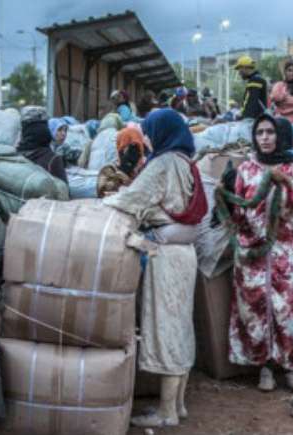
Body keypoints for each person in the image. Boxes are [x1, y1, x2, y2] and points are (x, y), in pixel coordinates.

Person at [103, 109, 206, 427]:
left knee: (167, 328)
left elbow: (131, 200)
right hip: (183, 253)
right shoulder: (185, 162)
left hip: (166, 257)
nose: (145, 139)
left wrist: (100, 204)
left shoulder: (163, 164)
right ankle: (178, 404)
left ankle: (167, 412)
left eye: (149, 131)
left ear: (161, 131)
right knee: (180, 326)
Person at [220, 114, 293, 392]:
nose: (264, 137)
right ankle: (264, 368)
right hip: (252, 253)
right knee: (256, 308)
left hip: (286, 251)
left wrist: (283, 180)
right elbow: (238, 211)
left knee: (287, 309)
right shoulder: (247, 169)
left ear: (280, 135)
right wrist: (227, 191)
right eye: (260, 132)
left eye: (270, 132)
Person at [17, 108, 68, 184]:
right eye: (60, 130)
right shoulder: (53, 159)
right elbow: (64, 191)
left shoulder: (15, 155)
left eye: (65, 130)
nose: (63, 134)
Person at [97, 127, 147, 197]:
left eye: (136, 147)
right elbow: (104, 192)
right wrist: (124, 175)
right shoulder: (110, 170)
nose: (133, 152)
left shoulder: (146, 166)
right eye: (124, 147)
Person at [269, 59, 293, 123]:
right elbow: (275, 97)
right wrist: (292, 100)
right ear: (285, 71)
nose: (292, 73)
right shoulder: (279, 85)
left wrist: (284, 97)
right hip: (280, 121)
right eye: (289, 70)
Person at [234, 56, 267, 120]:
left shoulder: (255, 80)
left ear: (245, 67)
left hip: (253, 120)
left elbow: (251, 102)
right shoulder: (255, 79)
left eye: (239, 69)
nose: (239, 72)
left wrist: (245, 118)